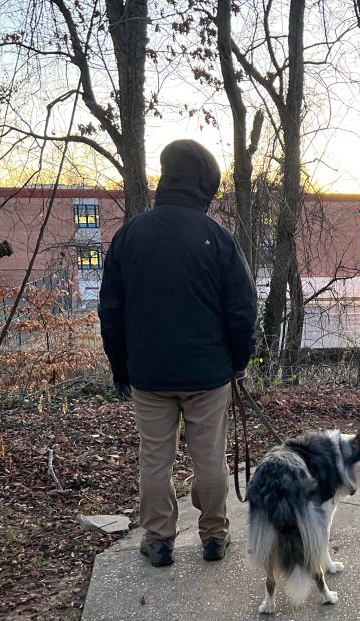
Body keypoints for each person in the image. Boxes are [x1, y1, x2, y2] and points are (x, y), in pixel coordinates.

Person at [99, 140, 257, 567]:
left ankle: (158, 539)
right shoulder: (218, 239)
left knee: (155, 458)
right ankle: (214, 535)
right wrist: (238, 362)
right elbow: (242, 310)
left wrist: (121, 367)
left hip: (148, 375)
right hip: (207, 374)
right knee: (210, 458)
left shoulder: (130, 235)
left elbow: (110, 310)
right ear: (205, 185)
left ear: (165, 180)